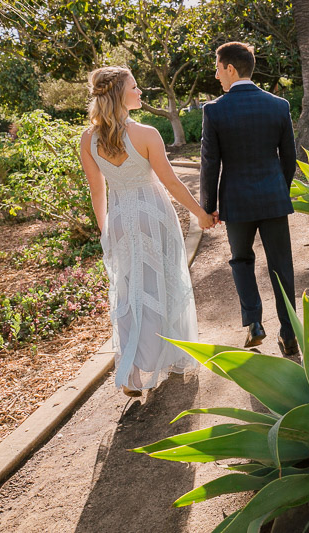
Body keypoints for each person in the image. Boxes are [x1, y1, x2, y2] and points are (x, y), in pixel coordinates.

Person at [80, 66, 216, 397]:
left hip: (121, 220)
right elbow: (170, 182)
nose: (140, 92)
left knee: (129, 291)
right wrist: (200, 213)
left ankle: (131, 374)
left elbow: (97, 193)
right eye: (135, 87)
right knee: (163, 282)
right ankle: (168, 353)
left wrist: (105, 231)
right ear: (119, 94)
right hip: (154, 216)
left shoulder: (88, 139)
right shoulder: (147, 133)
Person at [199, 41, 300, 357]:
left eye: (218, 69)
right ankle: (289, 335)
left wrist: (209, 205)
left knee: (241, 260)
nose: (217, 76)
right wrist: (277, 190)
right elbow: (290, 158)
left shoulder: (214, 110)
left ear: (230, 68)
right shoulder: (278, 105)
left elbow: (210, 162)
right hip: (273, 199)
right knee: (281, 266)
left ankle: (254, 324)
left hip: (237, 202)